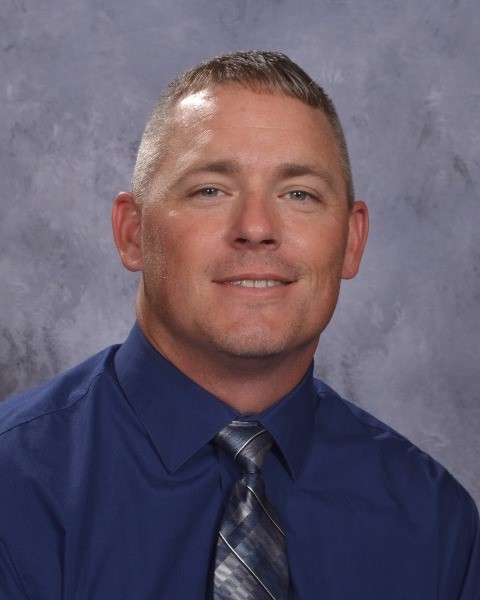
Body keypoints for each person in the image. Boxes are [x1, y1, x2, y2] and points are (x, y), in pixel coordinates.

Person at [0, 51, 478, 600]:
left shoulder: (433, 520)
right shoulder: (14, 487)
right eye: (211, 190)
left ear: (352, 241)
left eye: (298, 194)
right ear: (133, 233)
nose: (256, 228)